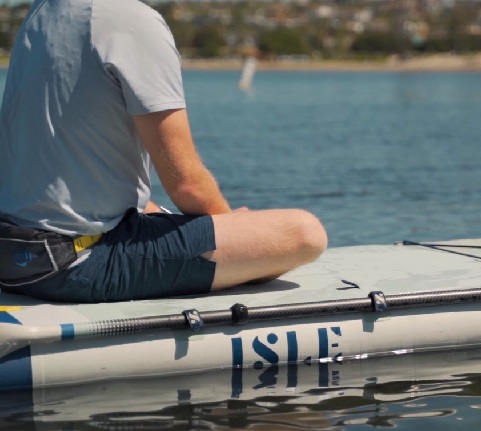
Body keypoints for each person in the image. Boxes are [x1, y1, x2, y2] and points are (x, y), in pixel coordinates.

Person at [0, 0, 327, 303]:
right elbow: (187, 185)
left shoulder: (43, 12)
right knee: (304, 232)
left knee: (158, 209)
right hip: (73, 264)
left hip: (14, 254)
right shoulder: (130, 21)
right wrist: (233, 231)